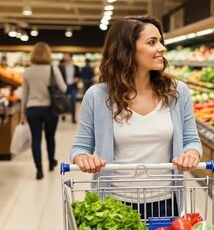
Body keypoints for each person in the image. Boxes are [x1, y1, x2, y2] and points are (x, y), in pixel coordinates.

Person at [69, 15, 202, 218]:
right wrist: (84, 159)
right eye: (152, 42)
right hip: (114, 204)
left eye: (160, 41)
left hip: (166, 203)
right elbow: (80, 148)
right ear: (127, 50)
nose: (162, 48)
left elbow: (192, 140)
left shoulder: (176, 92)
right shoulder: (97, 96)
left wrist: (191, 154)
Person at [21, 42, 67, 180]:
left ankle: (39, 169)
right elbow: (64, 88)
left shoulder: (28, 71)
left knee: (36, 139)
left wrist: (23, 112)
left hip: (32, 108)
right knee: (50, 137)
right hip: (50, 108)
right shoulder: (53, 69)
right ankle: (51, 162)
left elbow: (24, 94)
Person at [59, 53, 81, 123]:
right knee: (63, 101)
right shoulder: (61, 67)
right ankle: (63, 115)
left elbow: (79, 76)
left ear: (71, 57)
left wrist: (77, 79)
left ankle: (73, 117)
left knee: (73, 102)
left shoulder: (76, 67)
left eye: (67, 56)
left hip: (73, 86)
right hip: (64, 86)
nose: (65, 57)